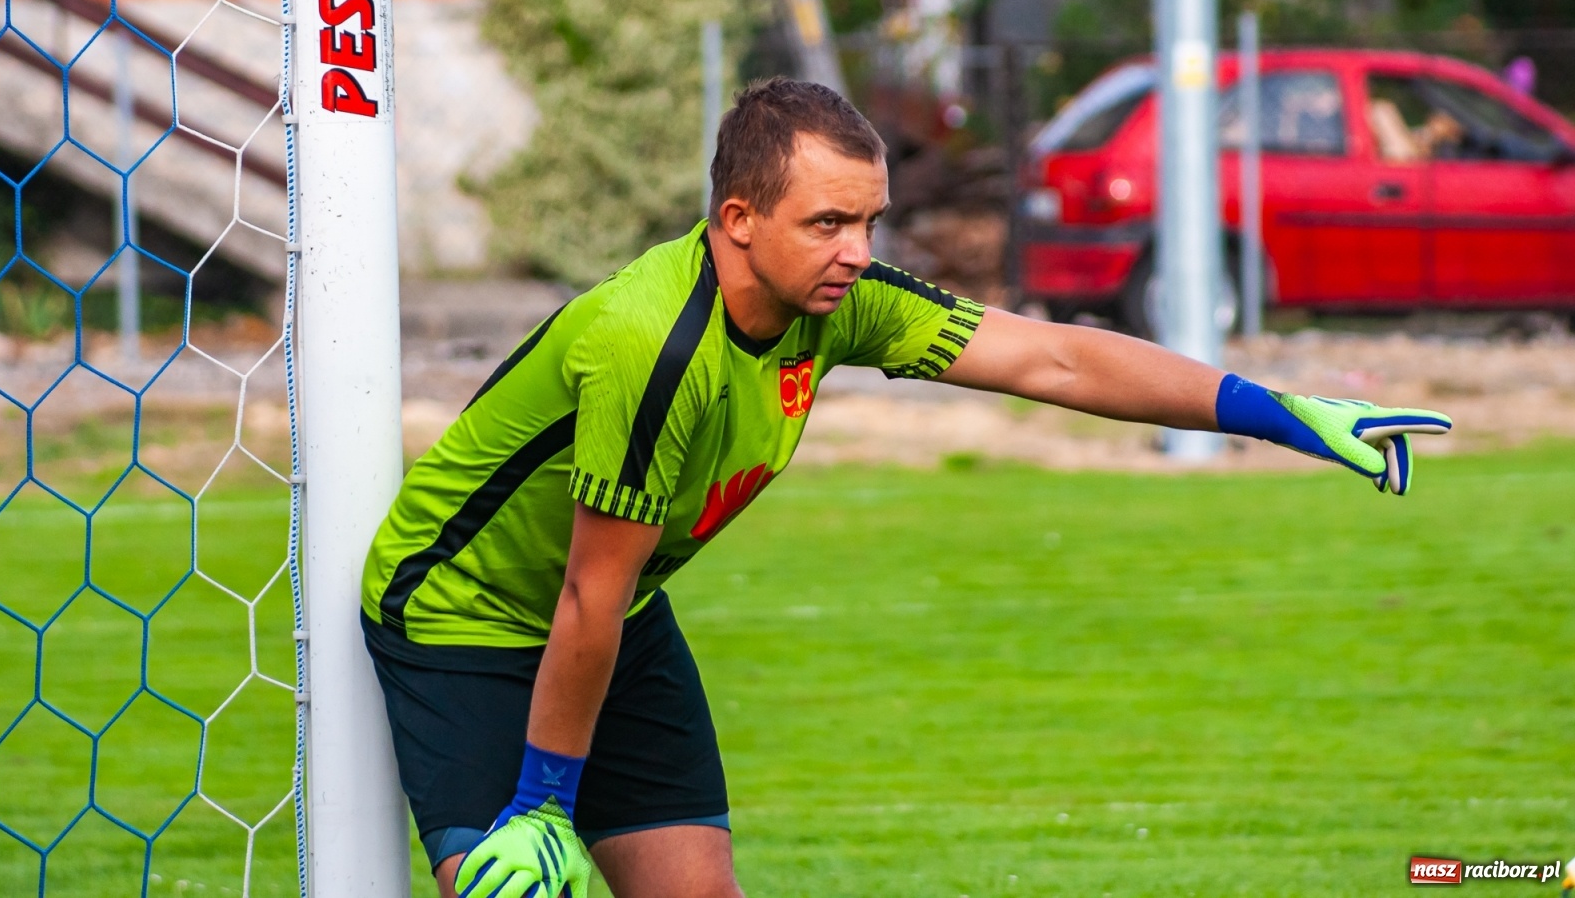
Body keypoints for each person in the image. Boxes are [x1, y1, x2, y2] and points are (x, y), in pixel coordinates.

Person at [360, 78, 1452, 898]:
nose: (856, 249)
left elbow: (1053, 360)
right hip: (464, 615)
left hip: (615, 612)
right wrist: (543, 803)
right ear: (737, 218)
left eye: (868, 220)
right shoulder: (654, 347)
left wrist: (1285, 413)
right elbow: (583, 595)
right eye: (826, 222)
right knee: (515, 886)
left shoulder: (838, 302)